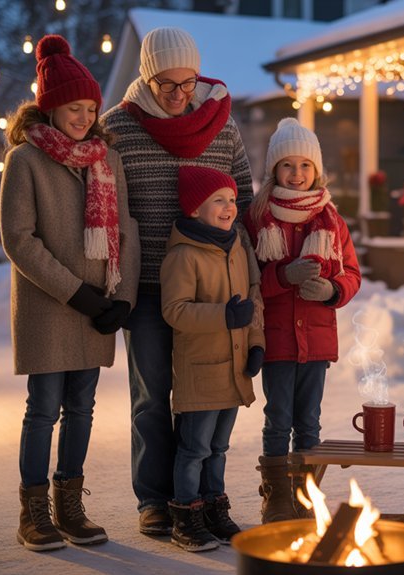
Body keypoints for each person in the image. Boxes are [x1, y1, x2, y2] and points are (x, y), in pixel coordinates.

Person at [99, 26, 255, 535]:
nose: (178, 94)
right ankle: (154, 499)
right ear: (147, 78)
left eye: (188, 83)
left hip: (211, 291)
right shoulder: (117, 127)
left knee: (205, 394)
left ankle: (197, 496)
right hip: (147, 286)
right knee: (151, 396)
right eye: (166, 84)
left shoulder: (222, 125)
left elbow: (244, 198)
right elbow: (103, 207)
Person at [0, 34, 140, 551]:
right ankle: (34, 511)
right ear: (50, 107)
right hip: (49, 305)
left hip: (98, 304)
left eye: (89, 108)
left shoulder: (107, 159)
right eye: (72, 107)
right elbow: (19, 239)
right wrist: (76, 293)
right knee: (44, 409)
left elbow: (125, 228)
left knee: (82, 408)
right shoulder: (25, 160)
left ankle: (70, 506)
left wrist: (121, 297)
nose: (83, 117)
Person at [245, 118, 362, 523]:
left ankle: (306, 494)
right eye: (287, 165)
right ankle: (277, 496)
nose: (297, 174)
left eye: (305, 166)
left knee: (309, 422)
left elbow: (352, 273)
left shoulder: (331, 220)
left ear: (317, 170)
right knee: (278, 419)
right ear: (274, 170)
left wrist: (332, 290)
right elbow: (246, 280)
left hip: (316, 340)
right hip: (277, 339)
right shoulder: (257, 219)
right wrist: (282, 277)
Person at [159, 166, 265, 551]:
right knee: (194, 449)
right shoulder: (183, 255)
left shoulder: (237, 247)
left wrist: (256, 343)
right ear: (194, 209)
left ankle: (213, 508)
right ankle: (185, 516)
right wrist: (223, 315)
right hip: (201, 372)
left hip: (233, 369)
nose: (229, 207)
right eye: (218, 200)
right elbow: (174, 310)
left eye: (232, 199)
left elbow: (253, 297)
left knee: (219, 447)